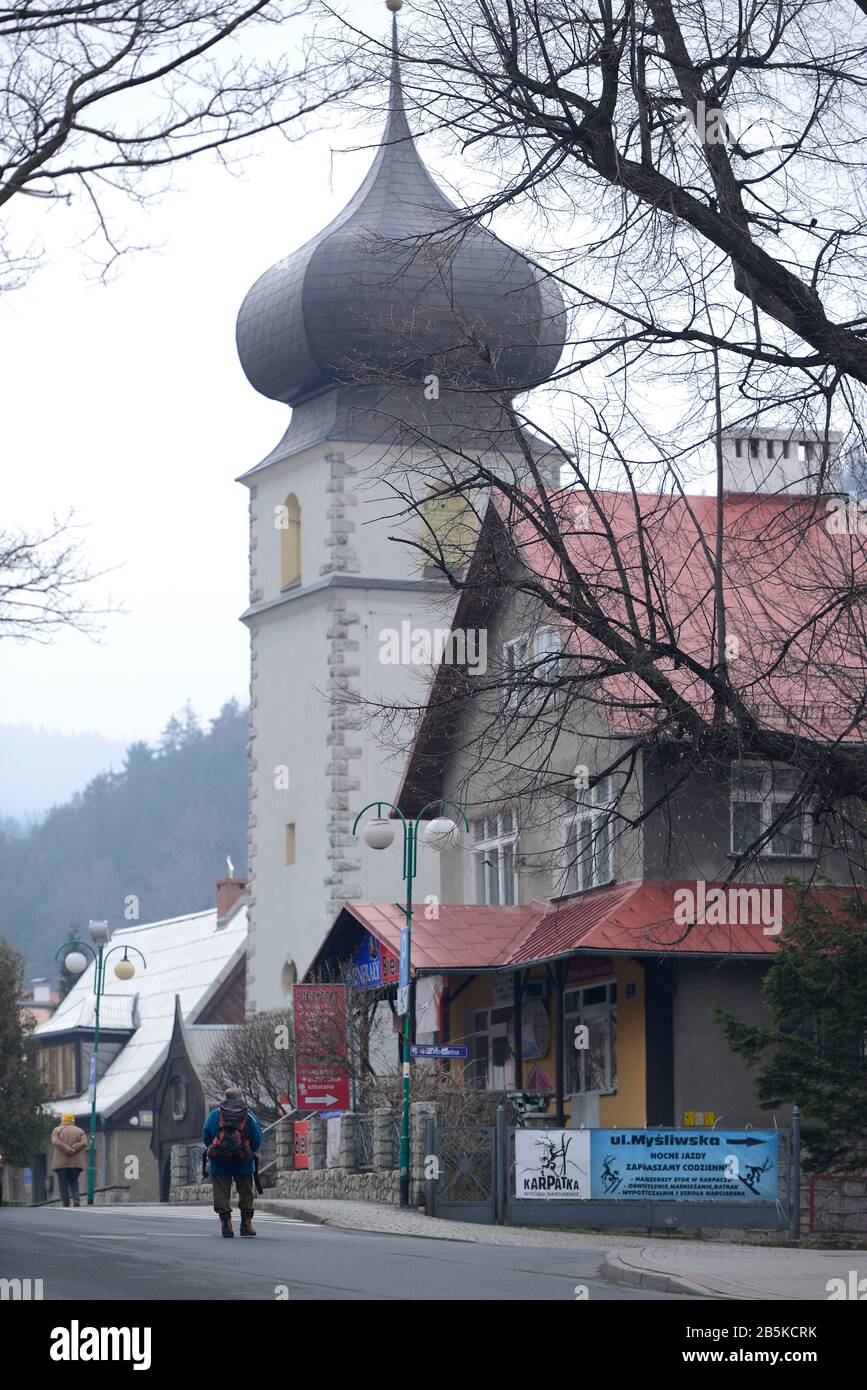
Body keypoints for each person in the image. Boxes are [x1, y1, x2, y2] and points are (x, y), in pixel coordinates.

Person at [202, 1087, 263, 1238]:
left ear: (225, 1098)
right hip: (243, 1162)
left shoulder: (215, 1114)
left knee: (221, 1194)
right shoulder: (248, 1115)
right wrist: (247, 1152)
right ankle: (246, 1225)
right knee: (246, 1193)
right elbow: (257, 1139)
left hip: (219, 1163)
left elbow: (206, 1135)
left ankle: (226, 1225)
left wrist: (217, 1150)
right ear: (241, 1098)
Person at [50, 1112, 87, 1207]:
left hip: (60, 1164)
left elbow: (55, 1141)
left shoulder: (57, 1130)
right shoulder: (79, 1131)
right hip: (75, 1163)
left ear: (62, 1120)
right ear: (73, 1120)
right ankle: (76, 1198)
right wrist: (73, 1148)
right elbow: (84, 1143)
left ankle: (66, 1204)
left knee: (63, 1184)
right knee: (74, 1182)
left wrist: (66, 1149)